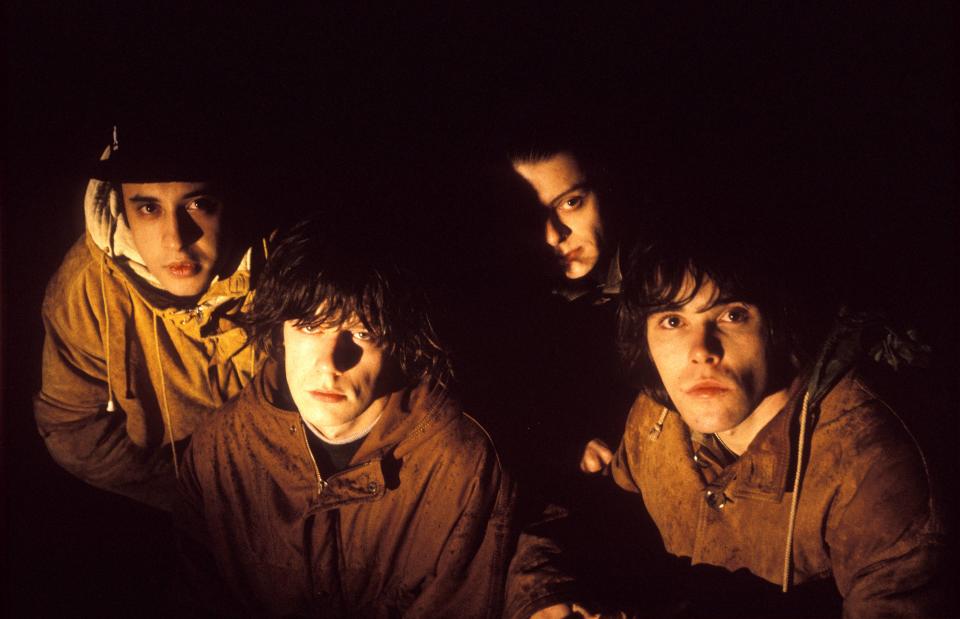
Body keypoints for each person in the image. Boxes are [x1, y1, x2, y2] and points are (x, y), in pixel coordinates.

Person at [175, 217, 574, 617]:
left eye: (363, 333)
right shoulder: (218, 452)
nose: (331, 363)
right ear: (280, 329)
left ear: (400, 343)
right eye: (311, 326)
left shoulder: (459, 463)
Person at [583, 235, 948, 616]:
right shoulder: (654, 418)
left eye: (732, 315)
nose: (701, 351)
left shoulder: (872, 467)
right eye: (673, 321)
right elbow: (605, 521)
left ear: (778, 326)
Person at [34, 122, 267, 510]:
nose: (176, 239)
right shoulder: (87, 289)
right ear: (120, 207)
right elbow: (70, 427)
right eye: (148, 208)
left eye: (199, 204)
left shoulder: (286, 266)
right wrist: (193, 494)